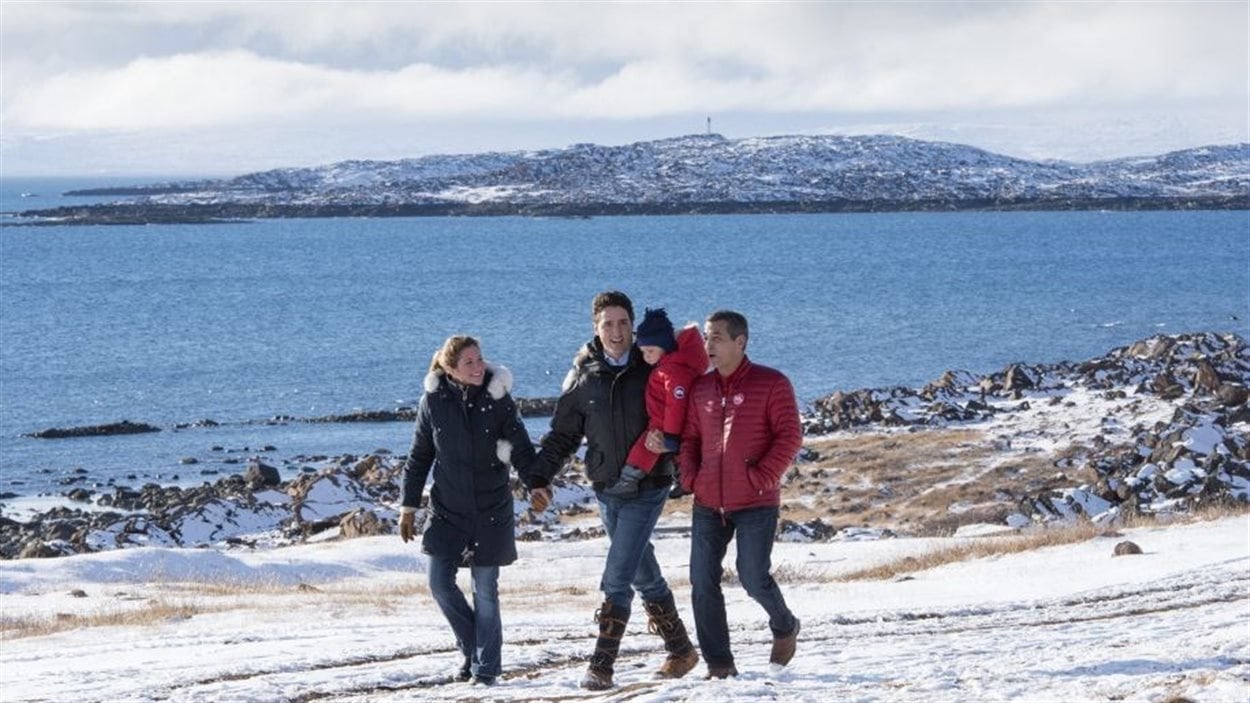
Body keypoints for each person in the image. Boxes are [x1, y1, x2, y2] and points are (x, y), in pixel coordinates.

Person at [528, 291, 699, 690]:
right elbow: (562, 436)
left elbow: (686, 410)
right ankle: (681, 650)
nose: (617, 331)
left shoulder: (654, 366)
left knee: (618, 573)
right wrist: (540, 477)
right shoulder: (583, 377)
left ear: (633, 326)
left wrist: (672, 447)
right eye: (608, 323)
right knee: (642, 571)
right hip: (607, 488)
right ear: (595, 327)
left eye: (623, 323)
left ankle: (601, 665)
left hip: (649, 483)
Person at [399, 335, 538, 687]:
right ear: (450, 369)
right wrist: (408, 506)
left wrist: (538, 483)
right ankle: (472, 648)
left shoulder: (498, 398)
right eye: (469, 363)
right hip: (447, 508)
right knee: (438, 583)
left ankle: (486, 669)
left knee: (486, 591)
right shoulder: (432, 401)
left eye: (479, 360)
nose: (478, 368)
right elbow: (419, 457)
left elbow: (520, 446)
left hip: (491, 507)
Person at [678, 310, 803, 679]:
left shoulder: (772, 383)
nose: (708, 344)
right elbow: (689, 440)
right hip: (707, 502)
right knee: (702, 582)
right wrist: (691, 477)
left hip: (756, 502)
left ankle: (784, 626)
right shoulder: (701, 388)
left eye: (716, 337)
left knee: (752, 575)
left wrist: (761, 477)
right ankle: (719, 665)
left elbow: (790, 435)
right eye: (705, 336)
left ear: (740, 342)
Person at [603, 307, 708, 499]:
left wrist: (671, 435)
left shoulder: (674, 370)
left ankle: (629, 480)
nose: (646, 357)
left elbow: (676, 404)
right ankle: (684, 480)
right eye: (643, 352)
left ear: (665, 345)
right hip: (663, 419)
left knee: (647, 448)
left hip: (665, 421)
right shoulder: (669, 365)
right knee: (677, 455)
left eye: (650, 350)